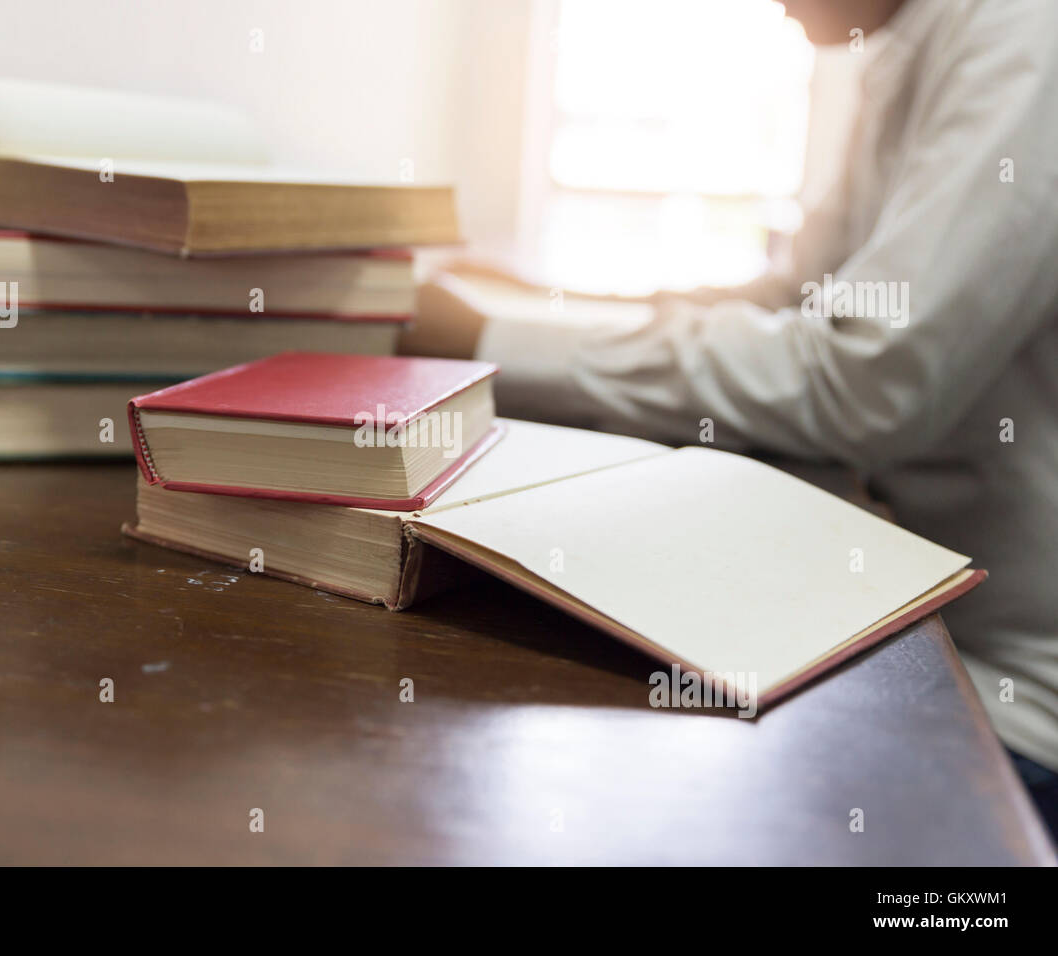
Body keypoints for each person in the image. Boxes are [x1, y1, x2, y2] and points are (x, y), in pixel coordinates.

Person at [406, 0, 1058, 835]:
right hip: (897, 629)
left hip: (1004, 703)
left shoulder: (1021, 32)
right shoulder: (907, 41)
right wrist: (550, 312)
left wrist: (497, 338)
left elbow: (863, 380)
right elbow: (796, 297)